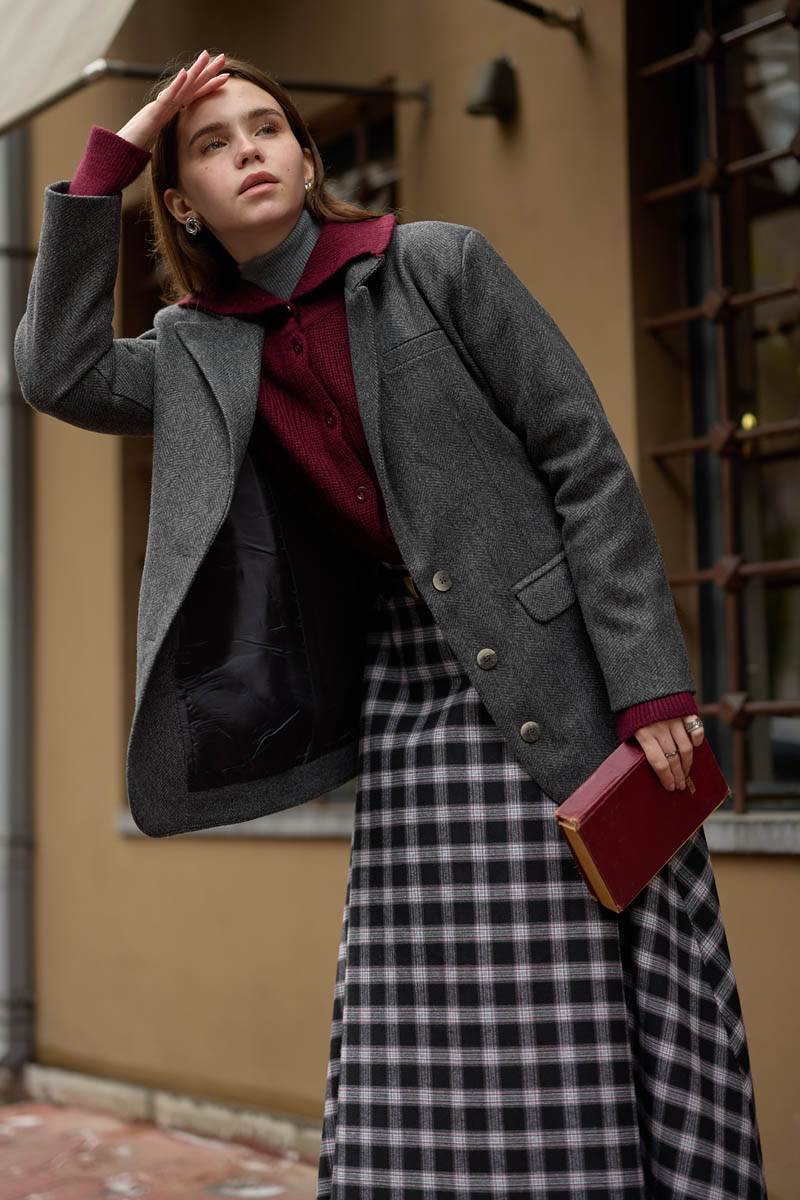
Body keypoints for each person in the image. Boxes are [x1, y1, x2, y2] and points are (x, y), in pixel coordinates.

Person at [15, 48, 766, 1199]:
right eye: (210, 145)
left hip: (554, 684)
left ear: (306, 156)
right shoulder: (199, 349)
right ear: (183, 203)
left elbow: (582, 460)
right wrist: (109, 162)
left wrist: (647, 680)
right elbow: (57, 373)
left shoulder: (435, 263)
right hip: (403, 704)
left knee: (577, 984)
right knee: (427, 1004)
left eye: (266, 128)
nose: (248, 152)